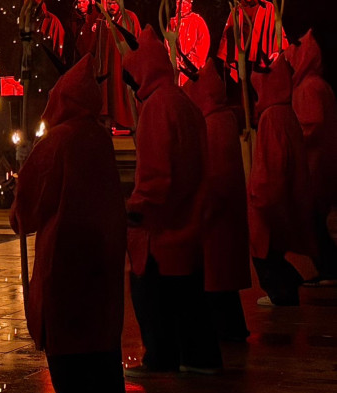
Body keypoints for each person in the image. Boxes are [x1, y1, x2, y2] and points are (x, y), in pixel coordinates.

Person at [11, 54, 127, 393]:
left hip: (64, 257)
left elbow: (28, 205)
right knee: (98, 331)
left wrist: (20, 197)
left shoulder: (60, 141)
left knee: (67, 334)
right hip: (100, 255)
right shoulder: (98, 137)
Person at [121, 26, 220, 375]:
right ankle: (198, 356)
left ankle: (161, 356)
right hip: (188, 218)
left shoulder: (158, 107)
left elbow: (156, 173)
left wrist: (136, 209)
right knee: (189, 297)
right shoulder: (183, 102)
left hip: (162, 227)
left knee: (153, 295)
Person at [185, 67, 252, 341]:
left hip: (217, 216)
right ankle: (232, 328)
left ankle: (226, 332)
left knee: (217, 279)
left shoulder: (212, 125)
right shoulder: (221, 119)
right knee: (223, 281)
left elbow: (214, 173)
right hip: (225, 213)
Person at [248, 56, 315, 306]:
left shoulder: (272, 117)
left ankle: (283, 292)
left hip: (271, 202)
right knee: (271, 252)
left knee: (266, 253)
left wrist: (259, 195)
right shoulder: (283, 113)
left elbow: (272, 167)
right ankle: (288, 284)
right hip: (283, 198)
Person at [287, 31, 337, 283]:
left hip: (315, 163)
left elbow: (313, 123)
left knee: (313, 220)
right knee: (315, 220)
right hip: (322, 161)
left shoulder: (309, 87)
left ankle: (330, 268)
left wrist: (293, 137)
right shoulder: (318, 84)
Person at [218, 0, 286, 85]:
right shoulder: (236, 11)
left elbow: (277, 29)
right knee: (244, 84)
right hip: (242, 54)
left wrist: (277, 49)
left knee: (260, 84)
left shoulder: (267, 8)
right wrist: (227, 55)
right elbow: (227, 33)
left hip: (260, 53)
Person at [90, 0, 139, 131]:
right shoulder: (101, 18)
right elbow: (95, 44)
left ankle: (127, 122)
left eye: (114, 3)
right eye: (108, 3)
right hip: (105, 64)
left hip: (123, 64)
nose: (111, 6)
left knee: (122, 92)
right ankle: (108, 120)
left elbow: (137, 39)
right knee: (107, 92)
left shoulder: (129, 17)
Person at [168, 0, 211, 86]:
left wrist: (190, 60)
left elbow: (203, 43)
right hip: (176, 70)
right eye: (179, 4)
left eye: (184, 4)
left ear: (189, 5)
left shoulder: (198, 21)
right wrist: (174, 59)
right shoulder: (172, 23)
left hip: (193, 70)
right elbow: (168, 43)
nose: (181, 7)